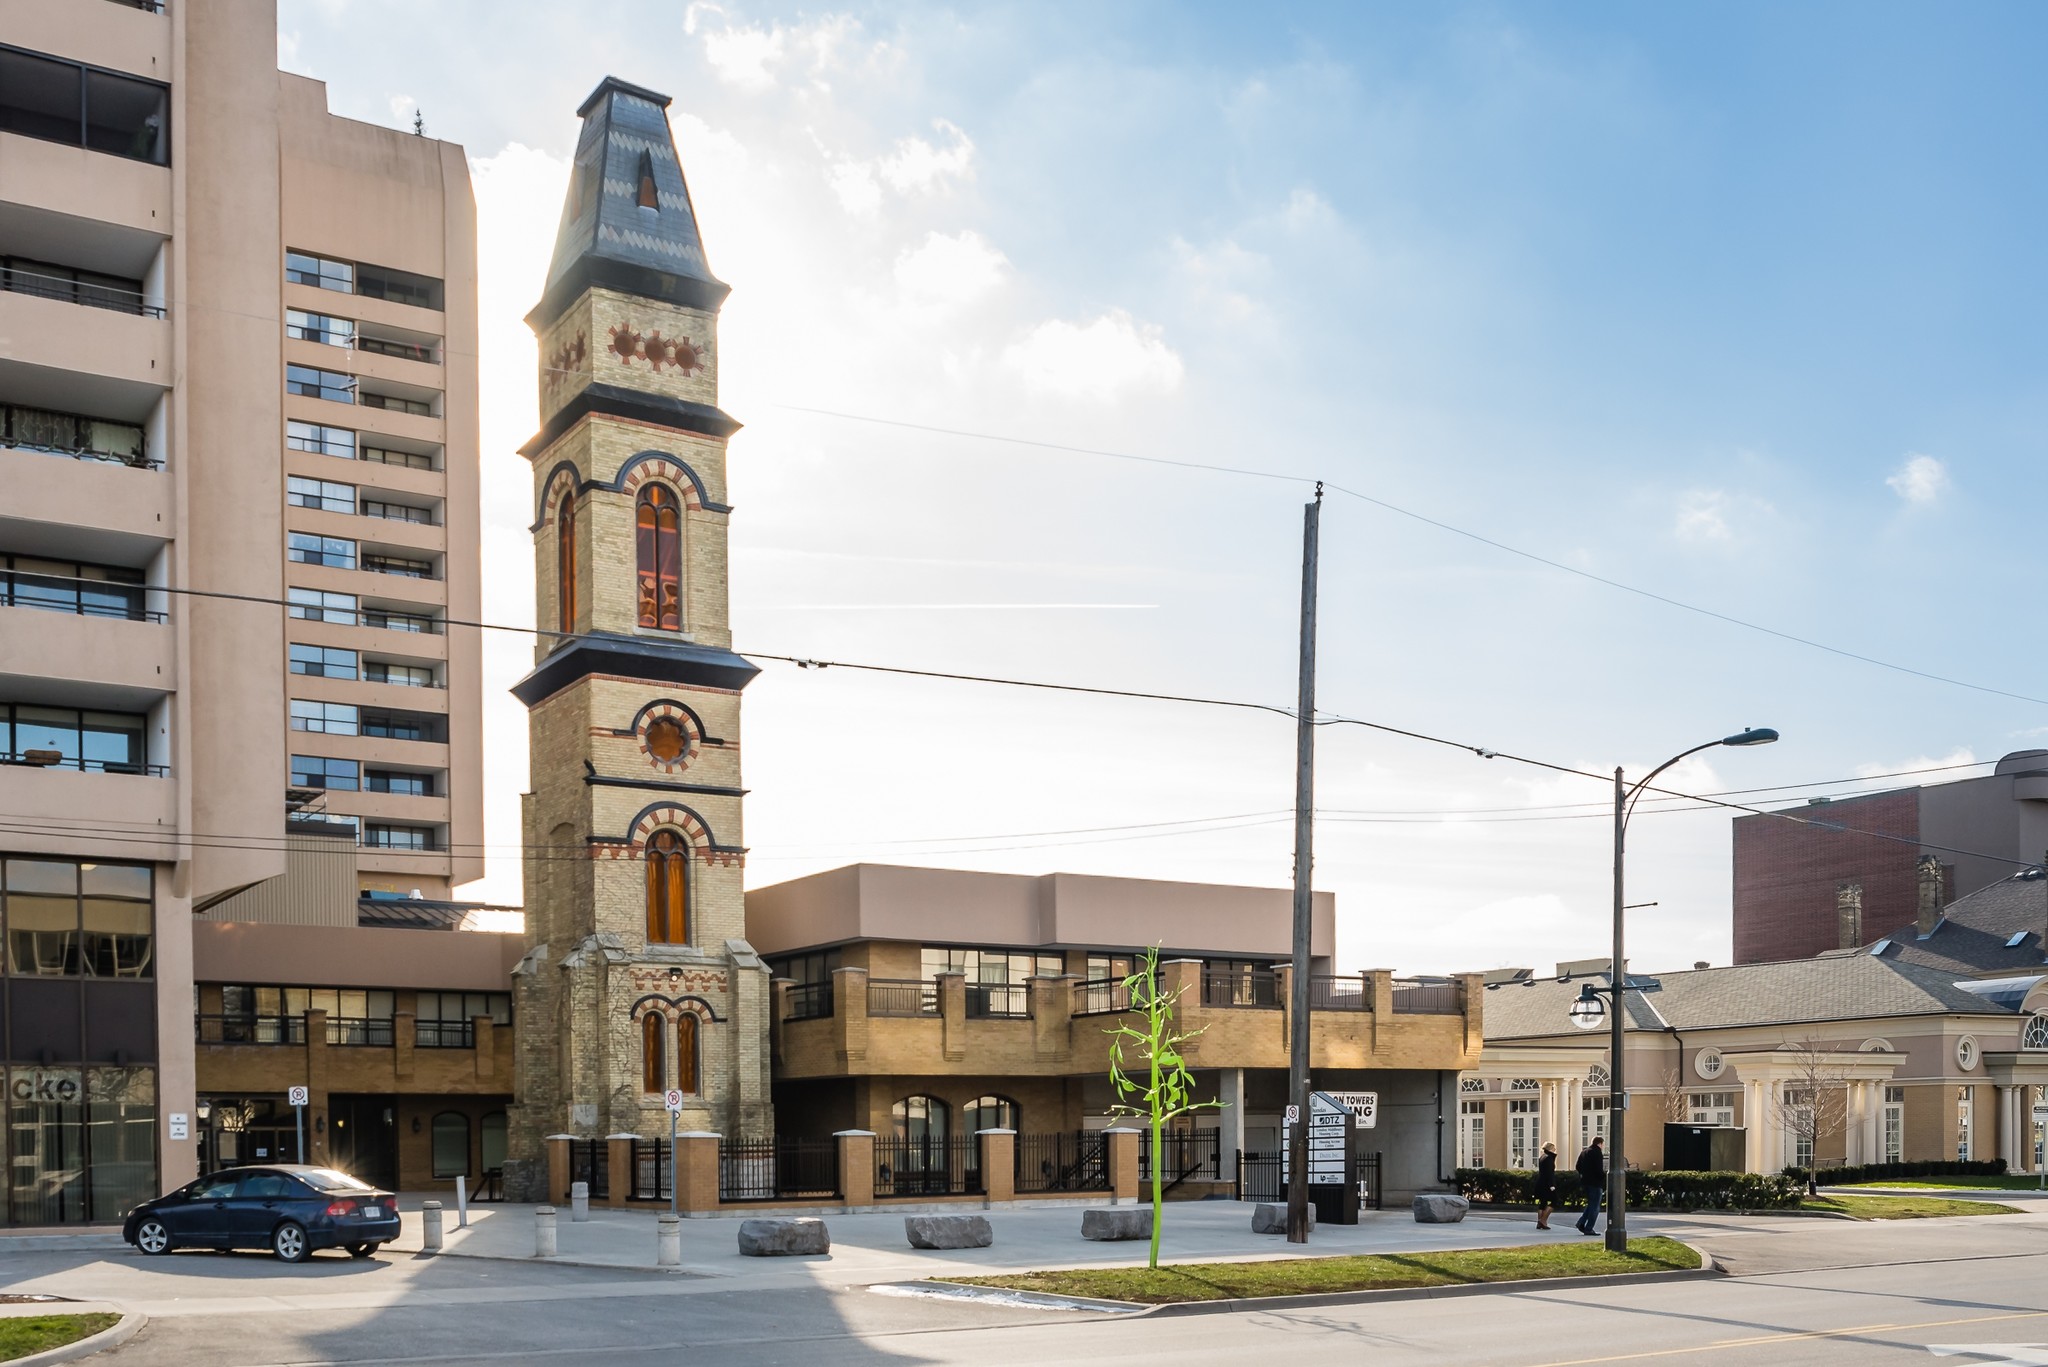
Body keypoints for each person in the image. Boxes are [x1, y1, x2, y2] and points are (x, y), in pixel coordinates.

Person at [1573, 1136, 1606, 1235]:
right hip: (1595, 1183)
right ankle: (1589, 1228)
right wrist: (1602, 1177)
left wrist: (1584, 1174)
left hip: (1585, 1182)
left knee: (1591, 1204)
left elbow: (1578, 1166)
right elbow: (1598, 1169)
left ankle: (1581, 1222)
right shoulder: (1597, 1152)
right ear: (1600, 1143)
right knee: (1595, 1207)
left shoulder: (1584, 1152)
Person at [1533, 1141, 1558, 1230]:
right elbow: (1549, 1173)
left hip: (1541, 1182)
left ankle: (1540, 1221)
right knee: (1554, 1201)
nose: (1555, 1149)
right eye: (1553, 1148)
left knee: (1543, 1202)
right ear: (1550, 1148)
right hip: (1547, 1184)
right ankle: (1543, 1220)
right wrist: (1551, 1185)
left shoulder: (1543, 1157)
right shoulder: (1548, 1158)